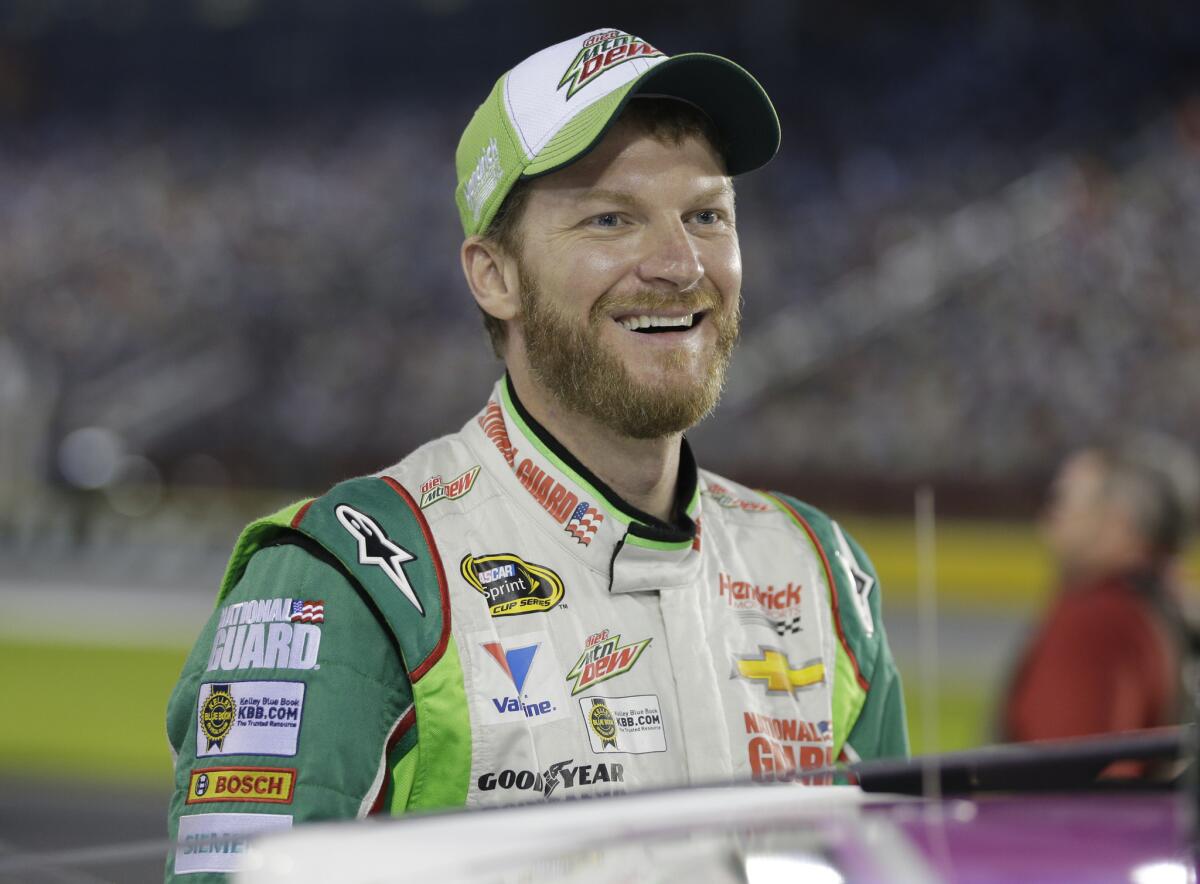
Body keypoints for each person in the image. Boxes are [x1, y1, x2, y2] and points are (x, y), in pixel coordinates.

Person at [164, 28, 908, 880]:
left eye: (706, 214)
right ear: (494, 275)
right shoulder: (354, 579)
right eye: (610, 218)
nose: (678, 264)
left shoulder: (821, 574)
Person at [1001, 435, 1200, 772]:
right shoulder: (1157, 609)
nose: (1050, 516)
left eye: (1063, 499)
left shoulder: (1099, 620)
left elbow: (1066, 782)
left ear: (1118, 523)